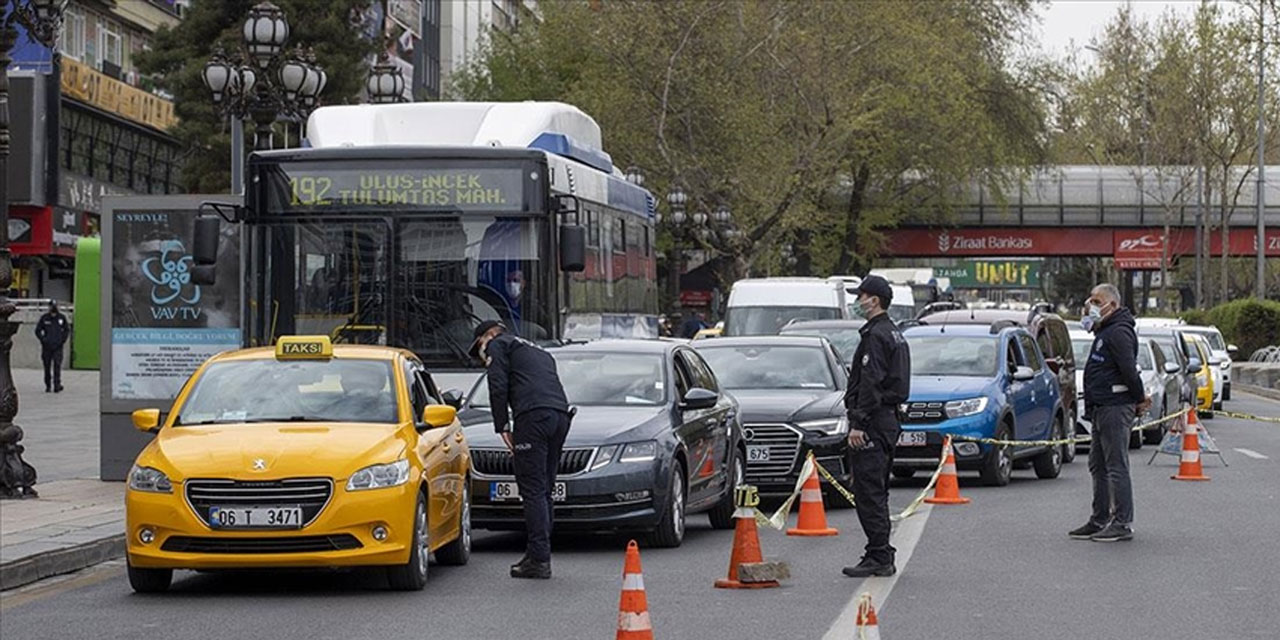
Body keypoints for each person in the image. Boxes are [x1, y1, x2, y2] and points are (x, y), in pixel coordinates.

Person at [470, 320, 572, 579]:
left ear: (489, 335)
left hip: (533, 418)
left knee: (532, 489)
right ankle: (538, 552)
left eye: (479, 346)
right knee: (545, 488)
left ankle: (539, 559)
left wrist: (502, 425)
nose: (482, 355)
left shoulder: (498, 344)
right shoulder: (538, 350)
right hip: (559, 416)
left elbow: (498, 385)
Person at [841, 275, 911, 578]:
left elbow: (870, 382)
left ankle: (880, 554)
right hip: (887, 419)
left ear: (875, 300)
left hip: (874, 421)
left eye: (862, 297)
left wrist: (859, 422)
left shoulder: (876, 336)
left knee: (868, 490)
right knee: (876, 488)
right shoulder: (893, 333)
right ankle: (879, 551)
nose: (858, 302)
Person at [1071, 284, 1150, 543]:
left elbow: (1128, 370)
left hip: (1115, 406)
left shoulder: (1118, 333)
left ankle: (1122, 522)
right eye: (1090, 301)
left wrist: (1139, 398)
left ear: (1112, 305)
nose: (1090, 306)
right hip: (1102, 406)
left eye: (1096, 301)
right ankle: (1100, 518)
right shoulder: (1105, 331)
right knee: (1098, 464)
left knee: (1116, 465)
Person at [35, 301, 70, 393]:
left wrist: (62, 340)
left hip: (58, 347)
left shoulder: (62, 318)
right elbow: (38, 331)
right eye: (52, 306)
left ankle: (57, 385)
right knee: (47, 366)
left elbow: (66, 330)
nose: (53, 307)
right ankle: (48, 385)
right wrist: (44, 340)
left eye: (55, 306)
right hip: (47, 347)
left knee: (57, 366)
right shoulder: (44, 318)